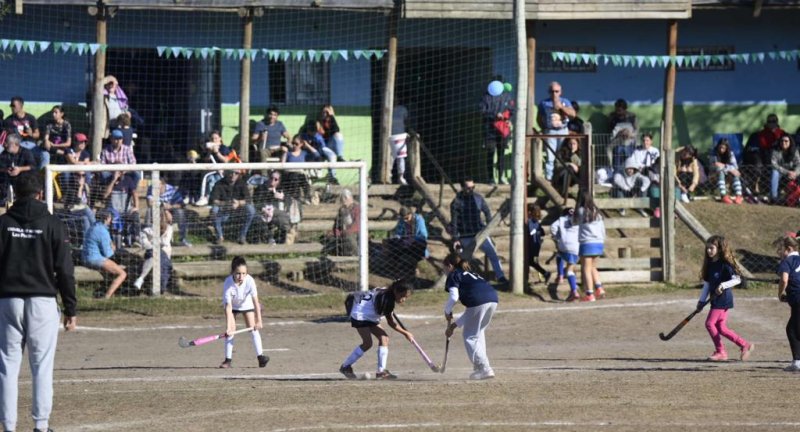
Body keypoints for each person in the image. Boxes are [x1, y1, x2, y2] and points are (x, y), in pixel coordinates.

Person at [0, 173, 77, 432]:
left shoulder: (3, 223)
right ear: (41, 194)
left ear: (15, 194)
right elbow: (65, 270)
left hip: (8, 300)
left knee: (7, 366)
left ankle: (8, 427)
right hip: (42, 300)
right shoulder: (53, 223)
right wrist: (71, 308)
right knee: (41, 366)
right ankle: (41, 426)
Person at [339, 279, 414, 380]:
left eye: (406, 297)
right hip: (360, 315)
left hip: (369, 314)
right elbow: (391, 323)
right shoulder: (387, 301)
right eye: (402, 296)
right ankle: (345, 367)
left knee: (384, 339)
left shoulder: (386, 292)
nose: (403, 299)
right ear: (396, 291)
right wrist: (406, 333)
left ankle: (381, 372)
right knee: (367, 343)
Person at [696, 235, 754, 362]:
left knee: (710, 324)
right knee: (721, 328)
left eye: (711, 248)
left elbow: (737, 280)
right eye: (707, 248)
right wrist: (701, 301)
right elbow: (707, 284)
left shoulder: (725, 265)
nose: (708, 251)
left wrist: (723, 285)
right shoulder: (710, 264)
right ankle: (744, 345)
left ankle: (721, 351)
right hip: (715, 299)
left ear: (720, 248)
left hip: (723, 299)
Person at [442, 252, 499, 380]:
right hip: (493, 299)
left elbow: (454, 297)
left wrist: (447, 310)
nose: (444, 272)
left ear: (449, 266)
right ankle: (482, 367)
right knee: (478, 332)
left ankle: (484, 368)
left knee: (470, 336)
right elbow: (471, 312)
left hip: (478, 301)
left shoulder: (453, 274)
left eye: (444, 269)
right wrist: (453, 326)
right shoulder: (471, 274)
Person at [450, 178, 507, 283]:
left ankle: (500, 277)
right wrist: (455, 238)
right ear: (462, 187)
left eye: (473, 187)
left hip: (480, 234)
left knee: (493, 254)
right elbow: (454, 222)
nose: (471, 190)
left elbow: (487, 211)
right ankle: (463, 280)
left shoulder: (478, 198)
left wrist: (489, 226)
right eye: (468, 188)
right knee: (464, 259)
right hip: (465, 235)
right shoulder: (456, 202)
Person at [219, 256, 269, 369]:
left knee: (253, 328)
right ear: (232, 272)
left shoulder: (250, 281)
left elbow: (256, 302)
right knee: (231, 331)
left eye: (243, 273)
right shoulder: (228, 283)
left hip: (246, 304)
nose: (241, 276)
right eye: (238, 273)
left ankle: (261, 357)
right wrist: (228, 328)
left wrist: (259, 321)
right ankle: (228, 360)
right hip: (232, 306)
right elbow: (228, 307)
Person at [82, 208, 127, 298]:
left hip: (85, 257)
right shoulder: (102, 231)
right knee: (122, 273)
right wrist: (113, 248)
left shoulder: (93, 227)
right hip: (95, 259)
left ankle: (108, 292)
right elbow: (108, 254)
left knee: (111, 270)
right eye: (110, 217)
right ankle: (107, 296)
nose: (111, 220)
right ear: (106, 218)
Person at [537, 81, 575, 181]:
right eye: (552, 91)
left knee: (562, 155)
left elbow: (573, 114)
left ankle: (561, 179)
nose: (554, 93)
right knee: (550, 157)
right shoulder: (543, 103)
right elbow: (539, 118)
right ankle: (549, 179)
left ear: (560, 92)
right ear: (549, 92)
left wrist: (561, 107)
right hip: (550, 132)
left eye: (556, 91)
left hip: (563, 131)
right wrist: (544, 128)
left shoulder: (565, 101)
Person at [480, 79, 515, 185]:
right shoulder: (485, 97)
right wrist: (494, 114)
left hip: (502, 130)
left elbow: (512, 110)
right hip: (489, 129)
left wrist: (509, 120)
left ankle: (501, 177)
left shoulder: (507, 97)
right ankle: (491, 178)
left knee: (501, 154)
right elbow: (482, 110)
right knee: (490, 153)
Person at [209, 170, 256, 245]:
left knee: (251, 210)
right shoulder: (219, 184)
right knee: (214, 210)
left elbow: (248, 200)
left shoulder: (242, 183)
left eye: (236, 173)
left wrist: (239, 203)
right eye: (231, 172)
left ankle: (242, 236)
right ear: (226, 172)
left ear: (239, 174)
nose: (233, 175)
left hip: (239, 211)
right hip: (223, 211)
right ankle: (220, 236)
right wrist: (227, 204)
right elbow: (214, 201)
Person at [775, 235, 800, 372]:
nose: (779, 254)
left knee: (794, 330)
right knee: (793, 328)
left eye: (780, 250)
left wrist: (780, 293)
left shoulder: (787, 261)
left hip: (798, 298)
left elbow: (784, 280)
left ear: (789, 249)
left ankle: (797, 362)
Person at [133, 208, 173, 293]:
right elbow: (145, 244)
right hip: (151, 253)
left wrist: (152, 240)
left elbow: (165, 242)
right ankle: (142, 280)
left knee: (158, 256)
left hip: (164, 255)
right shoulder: (147, 230)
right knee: (154, 254)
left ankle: (141, 278)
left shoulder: (169, 228)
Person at [4, 96, 49, 170]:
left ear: (20, 105)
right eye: (10, 105)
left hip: (30, 144)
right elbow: (5, 136)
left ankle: (42, 175)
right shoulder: (8, 120)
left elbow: (37, 134)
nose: (11, 107)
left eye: (13, 105)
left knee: (45, 155)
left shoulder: (30, 118)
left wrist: (31, 134)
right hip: (17, 145)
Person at [575, 197, 606, 302]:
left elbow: (573, 221)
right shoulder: (598, 213)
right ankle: (599, 288)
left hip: (587, 242)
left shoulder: (580, 211)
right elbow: (603, 229)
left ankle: (590, 294)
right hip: (599, 242)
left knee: (586, 268)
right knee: (593, 267)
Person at [384, 206, 429, 278]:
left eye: (406, 218)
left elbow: (424, 235)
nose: (405, 220)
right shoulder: (402, 220)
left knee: (416, 246)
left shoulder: (419, 220)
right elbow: (398, 232)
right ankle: (393, 266)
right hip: (404, 240)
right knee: (390, 243)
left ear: (411, 214)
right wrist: (397, 237)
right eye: (403, 219)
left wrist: (412, 239)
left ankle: (413, 268)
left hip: (415, 241)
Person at [146, 179, 191, 247]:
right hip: (158, 212)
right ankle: (148, 238)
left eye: (158, 188)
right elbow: (150, 203)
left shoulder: (172, 190)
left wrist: (171, 207)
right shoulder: (151, 188)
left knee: (180, 212)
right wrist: (164, 209)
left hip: (172, 212)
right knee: (149, 211)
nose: (156, 190)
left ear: (164, 185)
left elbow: (181, 204)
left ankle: (183, 239)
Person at [550, 207, 580, 301]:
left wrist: (557, 237)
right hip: (576, 247)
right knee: (571, 269)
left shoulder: (561, 219)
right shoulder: (578, 220)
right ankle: (574, 290)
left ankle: (561, 275)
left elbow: (553, 227)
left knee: (559, 255)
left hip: (564, 245)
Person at [0, 134, 36, 205]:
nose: (5, 144)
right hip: (6, 182)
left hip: (22, 181)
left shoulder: (26, 152)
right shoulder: (4, 153)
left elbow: (33, 166)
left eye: (7, 142)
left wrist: (20, 169)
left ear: (15, 144)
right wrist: (6, 170)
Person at [631, 132, 661, 217]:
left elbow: (657, 164)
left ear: (651, 141)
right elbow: (633, 163)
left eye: (647, 140)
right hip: (640, 173)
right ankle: (641, 206)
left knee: (653, 183)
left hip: (652, 173)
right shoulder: (637, 151)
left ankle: (657, 206)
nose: (645, 142)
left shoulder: (655, 151)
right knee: (646, 180)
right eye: (644, 140)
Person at [325, 188, 360, 256]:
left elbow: (357, 225)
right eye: (342, 200)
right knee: (329, 238)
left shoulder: (357, 208)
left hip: (356, 233)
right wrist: (336, 233)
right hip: (343, 234)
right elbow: (337, 224)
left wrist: (346, 232)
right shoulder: (342, 210)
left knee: (348, 236)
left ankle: (357, 255)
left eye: (344, 200)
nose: (343, 202)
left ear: (349, 198)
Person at [710, 137, 744, 205]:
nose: (721, 150)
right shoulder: (714, 153)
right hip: (715, 173)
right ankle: (723, 195)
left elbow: (735, 167)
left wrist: (725, 166)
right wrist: (729, 168)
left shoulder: (730, 154)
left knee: (735, 173)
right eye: (720, 147)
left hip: (728, 173)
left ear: (727, 148)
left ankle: (739, 195)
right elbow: (715, 165)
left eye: (723, 148)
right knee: (721, 172)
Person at [524, 203, 551, 287]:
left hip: (532, 245)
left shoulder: (530, 221)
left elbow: (530, 232)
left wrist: (535, 232)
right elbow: (542, 232)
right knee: (531, 262)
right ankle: (545, 273)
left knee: (529, 261)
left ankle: (544, 274)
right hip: (536, 245)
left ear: (529, 212)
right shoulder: (537, 222)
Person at [770, 134, 800, 204]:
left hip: (793, 174)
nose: (784, 143)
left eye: (786, 141)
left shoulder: (795, 151)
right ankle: (773, 197)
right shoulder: (776, 151)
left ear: (790, 142)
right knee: (774, 172)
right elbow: (774, 165)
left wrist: (795, 172)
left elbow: (799, 164)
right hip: (780, 173)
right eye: (782, 141)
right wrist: (787, 172)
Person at [390, 104, 411, 185]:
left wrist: (408, 132)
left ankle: (401, 177)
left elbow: (407, 121)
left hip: (400, 136)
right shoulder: (387, 108)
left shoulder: (402, 109)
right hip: (389, 136)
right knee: (390, 158)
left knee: (401, 157)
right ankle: (388, 176)